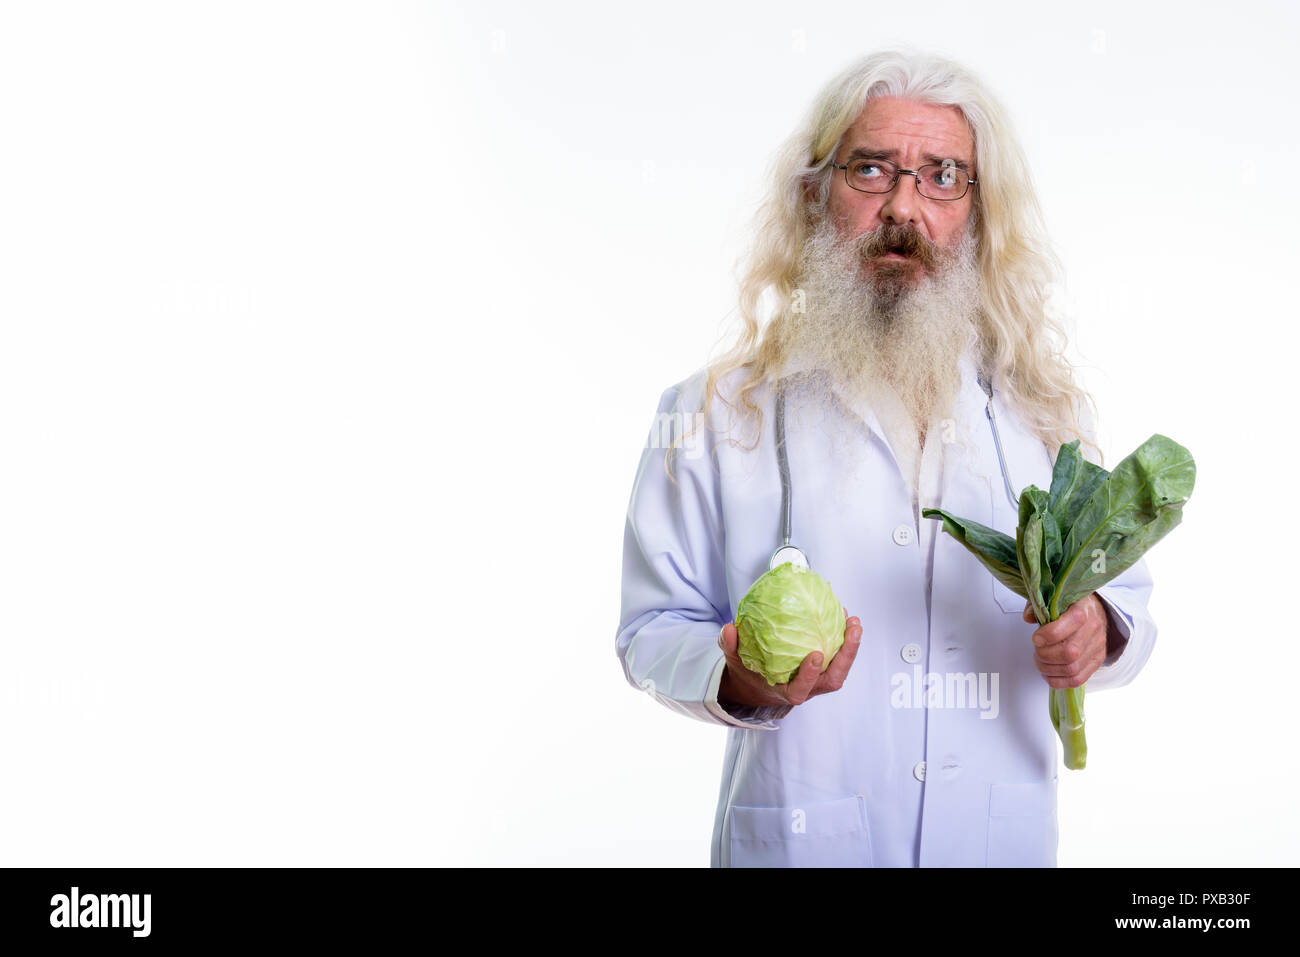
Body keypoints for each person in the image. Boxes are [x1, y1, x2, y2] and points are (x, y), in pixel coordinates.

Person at [614, 50, 1156, 867]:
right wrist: (735, 679)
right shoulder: (710, 414)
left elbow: (1128, 599)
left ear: (979, 210)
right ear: (814, 192)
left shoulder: (1042, 414)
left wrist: (1099, 632)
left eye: (944, 176)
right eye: (870, 169)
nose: (904, 206)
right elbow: (649, 630)